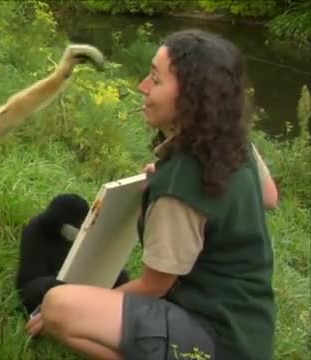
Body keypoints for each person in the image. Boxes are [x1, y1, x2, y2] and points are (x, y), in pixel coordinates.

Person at [25, 29, 279, 360]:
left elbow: (155, 286)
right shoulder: (232, 140)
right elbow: (269, 196)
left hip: (214, 341)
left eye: (156, 81)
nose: (143, 86)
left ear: (192, 97)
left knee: (58, 305)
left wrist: (93, 302)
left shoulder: (178, 189)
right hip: (249, 329)